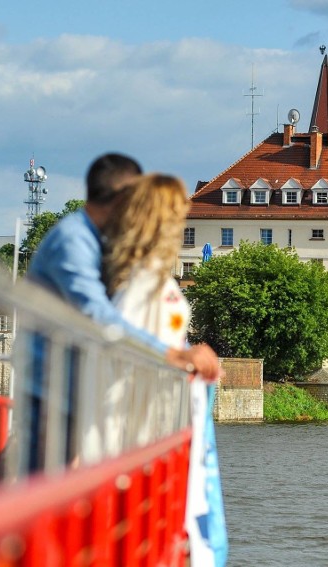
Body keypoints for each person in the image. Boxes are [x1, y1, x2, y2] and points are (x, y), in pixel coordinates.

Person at [100, 173, 227, 566]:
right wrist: (183, 358)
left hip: (158, 421)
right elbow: (122, 340)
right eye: (179, 216)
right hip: (142, 427)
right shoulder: (139, 282)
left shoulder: (149, 275)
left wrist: (186, 353)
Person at [27, 153, 221, 379]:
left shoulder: (96, 239)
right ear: (124, 198)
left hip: (73, 379)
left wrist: (183, 353)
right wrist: (172, 355)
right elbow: (95, 313)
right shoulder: (73, 240)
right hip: (53, 387)